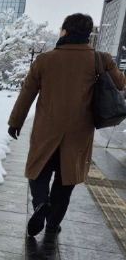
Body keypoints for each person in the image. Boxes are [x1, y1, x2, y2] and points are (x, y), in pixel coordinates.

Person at [8, 13, 125, 237]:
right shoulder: (100, 59)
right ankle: (53, 223)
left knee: (38, 171)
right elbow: (120, 84)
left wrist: (15, 122)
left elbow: (27, 94)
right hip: (79, 130)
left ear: (65, 31)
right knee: (66, 178)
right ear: (88, 34)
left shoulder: (44, 60)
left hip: (46, 128)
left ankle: (41, 203)